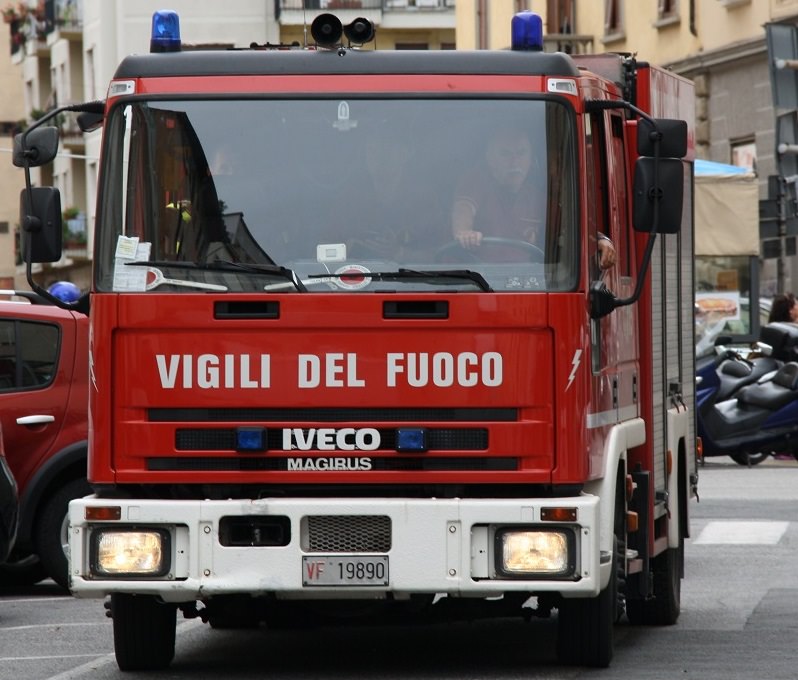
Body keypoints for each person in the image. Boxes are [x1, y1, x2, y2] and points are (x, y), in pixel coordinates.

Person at [451, 126, 616, 269]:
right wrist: (465, 232)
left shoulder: (537, 198)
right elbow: (464, 208)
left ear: (531, 160)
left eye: (521, 153)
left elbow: (567, 225)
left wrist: (600, 240)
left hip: (526, 281)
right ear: (489, 159)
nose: (514, 162)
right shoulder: (476, 181)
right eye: (505, 154)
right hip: (478, 278)